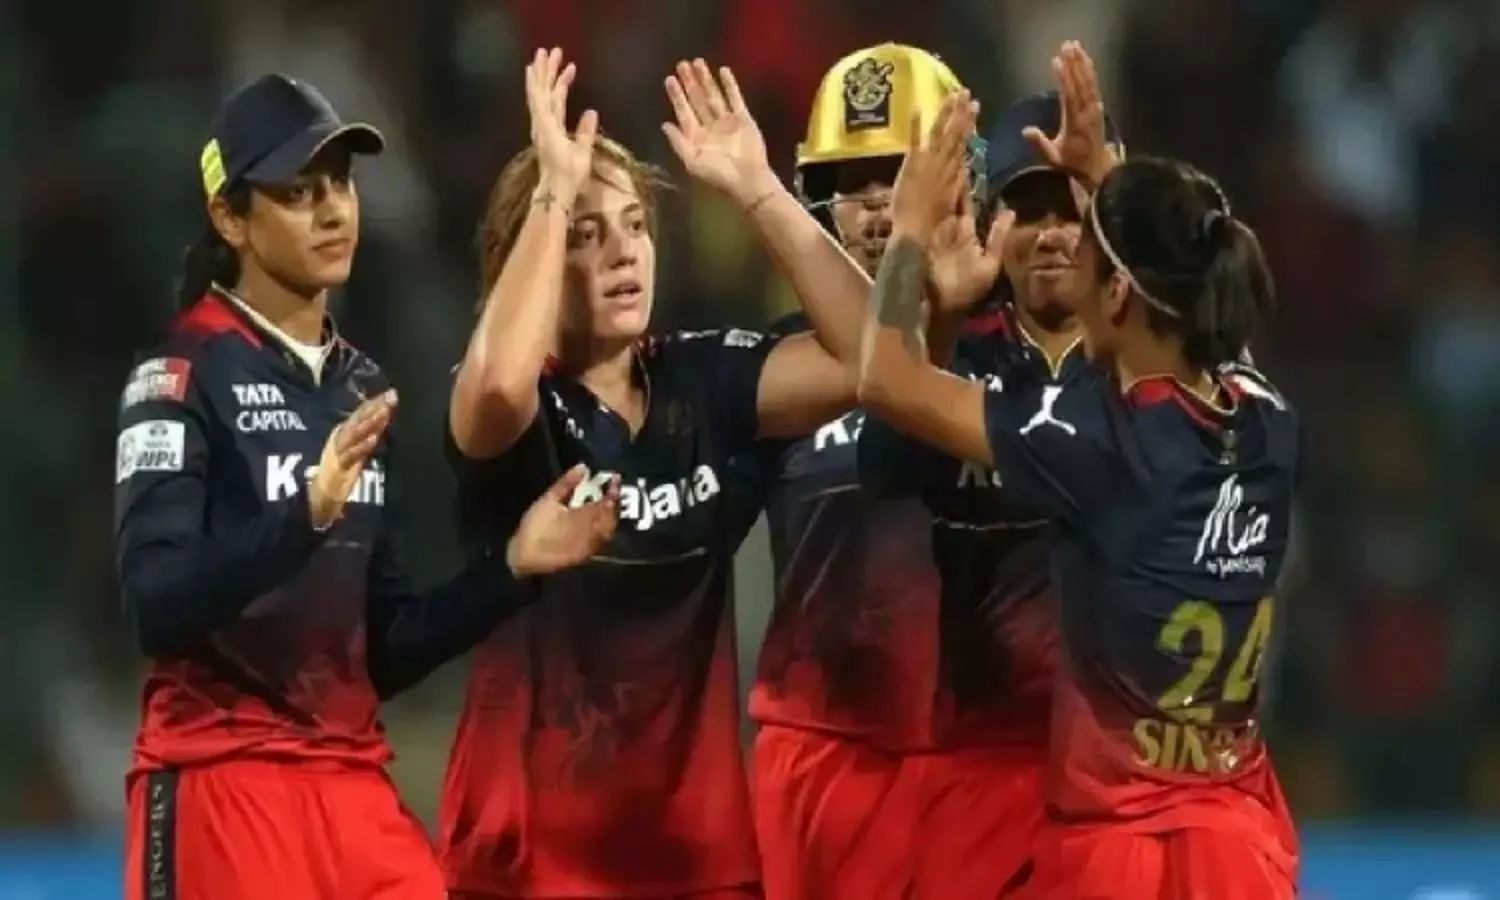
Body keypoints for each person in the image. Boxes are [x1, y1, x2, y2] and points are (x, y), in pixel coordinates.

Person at [116, 73, 621, 900]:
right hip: (222, 776)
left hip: (349, 785)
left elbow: (379, 653)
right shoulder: (180, 372)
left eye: (341, 184)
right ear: (230, 217)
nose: (333, 211)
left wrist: (513, 568)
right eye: (297, 192)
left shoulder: (359, 385)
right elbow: (155, 605)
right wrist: (304, 515)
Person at [856, 46, 1299, 900]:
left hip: (1120, 840)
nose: (1070, 256)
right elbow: (1206, 317)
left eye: (1093, 255)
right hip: (1239, 835)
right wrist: (1108, 182)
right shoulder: (1270, 416)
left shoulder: (1094, 440)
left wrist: (908, 232)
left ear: (1120, 295)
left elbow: (883, 380)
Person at [440, 49, 871, 899]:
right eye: (585, 235)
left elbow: (872, 359)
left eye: (635, 226)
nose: (623, 253)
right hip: (528, 869)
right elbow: (495, 385)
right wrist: (552, 190)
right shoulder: (516, 411)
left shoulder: (700, 382)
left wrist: (758, 190)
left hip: (694, 864)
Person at [849, 87, 1125, 898]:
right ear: (988, 222)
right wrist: (937, 317)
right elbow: (882, 470)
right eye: (1026, 210)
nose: (1051, 234)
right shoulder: (960, 354)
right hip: (983, 767)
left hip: (1123, 770)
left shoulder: (1147, 364)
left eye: (1071, 210)